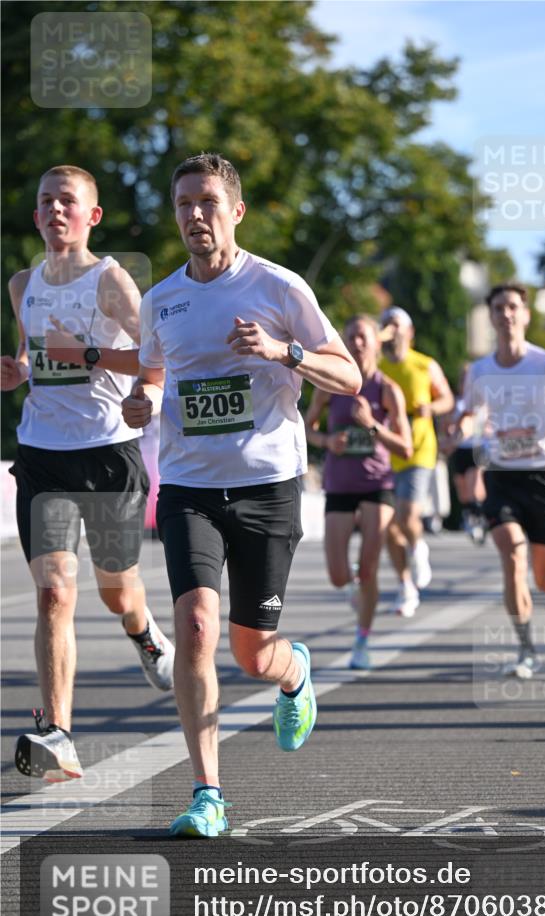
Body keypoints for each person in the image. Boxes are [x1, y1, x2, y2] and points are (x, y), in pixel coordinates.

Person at [122, 153, 361, 838]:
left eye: (206, 201)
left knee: (252, 652)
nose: (194, 215)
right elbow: (154, 375)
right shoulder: (161, 298)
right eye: (183, 204)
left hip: (266, 487)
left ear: (235, 210)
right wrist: (143, 401)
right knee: (195, 628)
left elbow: (345, 377)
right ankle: (208, 794)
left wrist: (283, 353)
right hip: (190, 488)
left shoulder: (279, 287)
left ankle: (293, 673)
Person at [1, 164, 174, 783]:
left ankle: (147, 633)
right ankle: (58, 734)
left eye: (67, 201)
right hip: (42, 451)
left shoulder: (111, 281)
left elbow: (155, 359)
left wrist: (142, 398)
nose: (55, 210)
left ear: (91, 216)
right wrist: (18, 371)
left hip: (107, 452)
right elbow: (30, 355)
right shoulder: (23, 284)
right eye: (46, 200)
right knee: (53, 593)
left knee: (116, 593)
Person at [458, 283, 545, 679]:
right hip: (502, 476)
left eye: (513, 307)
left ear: (526, 315)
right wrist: (462, 424)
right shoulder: (481, 371)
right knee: (512, 557)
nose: (506, 314)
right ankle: (526, 649)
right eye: (499, 307)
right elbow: (472, 412)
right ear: (490, 316)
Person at [305, 315, 412, 670]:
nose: (357, 343)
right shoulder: (329, 386)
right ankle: (352, 579)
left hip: (376, 486)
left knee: (367, 571)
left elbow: (406, 448)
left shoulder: (387, 389)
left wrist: (373, 426)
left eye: (363, 337)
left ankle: (362, 641)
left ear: (376, 342)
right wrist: (326, 441)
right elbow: (306, 429)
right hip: (339, 485)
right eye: (351, 337)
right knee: (338, 577)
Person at [378, 306, 454, 616]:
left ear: (410, 332)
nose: (392, 330)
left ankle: (419, 548)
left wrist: (431, 409)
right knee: (388, 529)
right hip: (385, 451)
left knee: (408, 513)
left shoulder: (424, 364)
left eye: (397, 325)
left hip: (419, 448)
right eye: (387, 325)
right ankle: (405, 584)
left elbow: (448, 398)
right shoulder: (378, 367)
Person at [439, 364, 487, 546]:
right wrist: (449, 433)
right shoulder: (456, 401)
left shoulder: (481, 401)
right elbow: (446, 424)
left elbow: (489, 423)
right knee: (463, 492)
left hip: (476, 448)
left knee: (475, 487)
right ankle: (471, 517)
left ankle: (480, 519)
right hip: (458, 449)